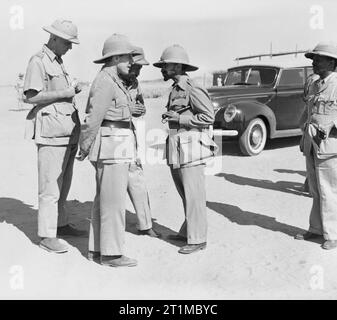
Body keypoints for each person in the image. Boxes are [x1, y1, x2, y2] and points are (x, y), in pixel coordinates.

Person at [78, 34, 158, 267]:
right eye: (125, 57)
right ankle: (112, 254)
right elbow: (94, 118)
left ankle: (97, 250)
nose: (131, 62)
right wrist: (85, 145)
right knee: (113, 203)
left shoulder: (114, 79)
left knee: (105, 200)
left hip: (117, 143)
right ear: (113, 58)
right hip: (111, 144)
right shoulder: (105, 80)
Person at [23, 19, 86, 253]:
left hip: (66, 131)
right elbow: (30, 97)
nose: (70, 48)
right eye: (68, 43)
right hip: (50, 132)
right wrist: (66, 92)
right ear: (55, 38)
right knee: (50, 186)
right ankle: (47, 236)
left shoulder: (58, 63)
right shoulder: (38, 61)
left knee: (63, 184)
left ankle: (60, 224)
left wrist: (71, 92)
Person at [153, 44, 218, 254]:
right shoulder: (175, 89)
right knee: (185, 194)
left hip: (191, 149)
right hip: (177, 146)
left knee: (194, 195)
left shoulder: (192, 87)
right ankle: (188, 230)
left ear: (179, 66)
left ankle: (198, 239)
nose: (162, 68)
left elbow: (209, 117)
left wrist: (180, 118)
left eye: (166, 65)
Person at [295, 42, 337, 250]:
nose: (314, 63)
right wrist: (303, 130)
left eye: (318, 59)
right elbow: (309, 111)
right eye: (313, 59)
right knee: (315, 189)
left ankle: (333, 233)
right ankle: (316, 228)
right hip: (312, 143)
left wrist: (330, 126)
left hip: (330, 145)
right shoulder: (314, 84)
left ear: (332, 61)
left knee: (329, 190)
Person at [121, 46, 161, 238]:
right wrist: (128, 110)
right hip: (111, 139)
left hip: (128, 136)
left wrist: (139, 109)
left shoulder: (134, 82)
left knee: (137, 178)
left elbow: (141, 106)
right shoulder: (108, 81)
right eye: (136, 67)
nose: (139, 71)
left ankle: (145, 225)